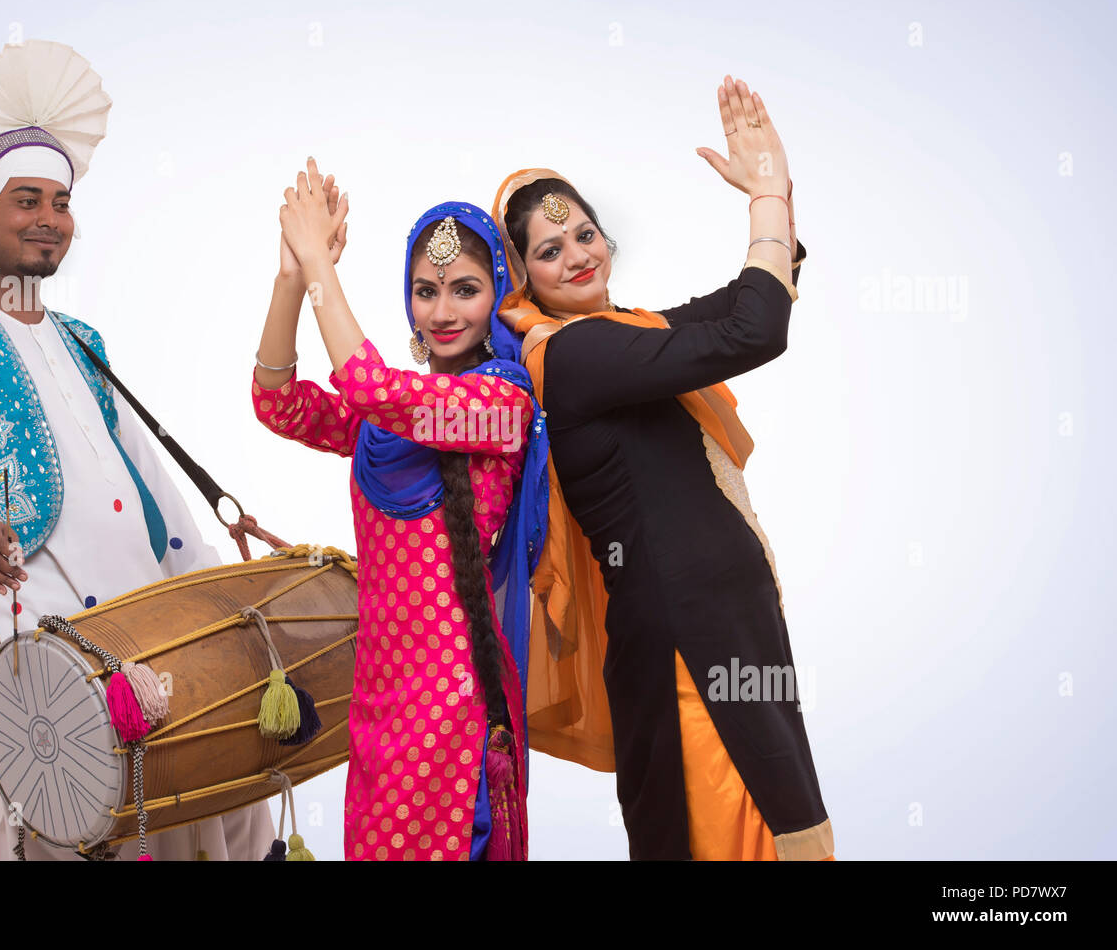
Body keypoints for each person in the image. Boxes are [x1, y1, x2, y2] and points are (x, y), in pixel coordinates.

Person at [0, 39, 272, 860]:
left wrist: (216, 591)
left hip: (153, 640)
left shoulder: (83, 340)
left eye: (61, 202)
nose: (50, 219)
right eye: (26, 199)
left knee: (204, 809)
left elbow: (152, 487)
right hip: (46, 652)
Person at [491, 76, 834, 860]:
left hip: (729, 628)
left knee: (787, 831)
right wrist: (764, 200)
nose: (577, 256)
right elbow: (754, 330)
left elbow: (744, 303)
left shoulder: (626, 333)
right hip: (686, 642)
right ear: (523, 278)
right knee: (731, 836)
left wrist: (777, 194)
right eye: (549, 251)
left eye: (584, 234)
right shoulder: (574, 355)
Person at [252, 159, 548, 859]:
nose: (442, 312)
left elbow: (369, 385)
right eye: (426, 291)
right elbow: (278, 403)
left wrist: (320, 266)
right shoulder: (388, 419)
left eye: (465, 290)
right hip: (379, 700)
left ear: (498, 293)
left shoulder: (500, 404)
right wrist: (292, 278)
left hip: (454, 699)